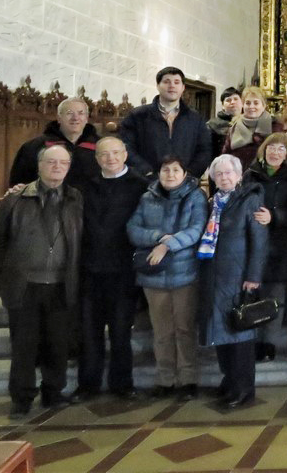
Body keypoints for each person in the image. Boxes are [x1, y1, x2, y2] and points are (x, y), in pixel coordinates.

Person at [0, 145, 82, 419]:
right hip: (25, 284)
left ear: (69, 168)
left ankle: (53, 393)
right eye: (51, 162)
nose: (57, 167)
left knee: (57, 344)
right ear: (39, 165)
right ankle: (21, 399)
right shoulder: (16, 198)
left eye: (63, 163)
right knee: (24, 345)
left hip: (61, 284)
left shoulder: (76, 198)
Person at [127, 155, 209, 401]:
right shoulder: (147, 198)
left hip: (185, 274)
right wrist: (158, 238)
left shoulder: (195, 197)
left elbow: (196, 229)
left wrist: (168, 245)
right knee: (162, 331)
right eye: (165, 170)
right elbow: (133, 228)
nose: (170, 174)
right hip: (154, 277)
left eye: (175, 170)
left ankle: (188, 379)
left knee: (184, 329)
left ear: (184, 174)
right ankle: (165, 379)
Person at [74, 137, 148, 401]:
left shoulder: (141, 186)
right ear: (97, 159)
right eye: (104, 154)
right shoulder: (85, 186)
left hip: (123, 270)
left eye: (116, 153)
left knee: (120, 331)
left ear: (125, 155)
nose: (110, 158)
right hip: (90, 269)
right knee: (89, 332)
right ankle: (88, 385)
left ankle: (122, 383)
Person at [199, 155, 270, 409]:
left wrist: (253, 276)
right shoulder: (213, 202)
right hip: (215, 276)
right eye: (219, 174)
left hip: (239, 276)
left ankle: (244, 388)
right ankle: (229, 381)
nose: (224, 177)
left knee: (240, 333)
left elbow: (259, 240)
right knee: (221, 331)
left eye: (229, 173)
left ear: (239, 176)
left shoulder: (250, 200)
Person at [243, 134, 287, 363]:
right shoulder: (250, 175)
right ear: (263, 151)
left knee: (277, 297)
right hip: (253, 243)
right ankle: (252, 341)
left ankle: (269, 343)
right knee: (253, 296)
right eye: (271, 148)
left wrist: (274, 216)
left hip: (281, 244)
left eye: (281, 149)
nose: (275, 152)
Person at [118, 67, 212, 179]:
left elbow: (204, 150)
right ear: (158, 86)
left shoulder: (195, 118)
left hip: (184, 182)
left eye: (176, 82)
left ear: (183, 87)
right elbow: (126, 146)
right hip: (146, 181)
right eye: (166, 81)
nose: (172, 86)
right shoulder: (138, 115)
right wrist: (146, 171)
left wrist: (188, 175)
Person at [10, 96, 100, 187]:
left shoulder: (100, 146)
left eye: (81, 113)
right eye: (69, 113)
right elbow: (20, 183)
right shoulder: (35, 146)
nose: (75, 118)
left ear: (86, 118)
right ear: (59, 118)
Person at [222, 86, 279, 171]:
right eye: (248, 103)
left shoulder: (275, 126)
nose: (251, 106)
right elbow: (225, 156)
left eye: (256, 103)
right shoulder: (234, 127)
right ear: (243, 105)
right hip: (238, 174)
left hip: (265, 175)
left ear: (263, 106)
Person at [208, 88, 242, 158]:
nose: (232, 102)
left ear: (242, 103)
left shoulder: (249, 123)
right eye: (228, 100)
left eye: (236, 99)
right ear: (223, 106)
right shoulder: (212, 125)